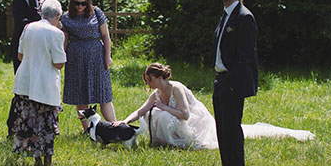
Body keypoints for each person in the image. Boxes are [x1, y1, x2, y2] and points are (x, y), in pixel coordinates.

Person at [118, 63, 313, 150]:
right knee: (153, 114)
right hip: (179, 118)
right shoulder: (156, 93)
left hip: (195, 121)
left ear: (159, 77)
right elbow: (141, 110)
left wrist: (163, 106)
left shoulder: (176, 88)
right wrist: (124, 121)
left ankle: (175, 141)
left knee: (163, 114)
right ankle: (164, 141)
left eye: (150, 79)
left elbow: (185, 115)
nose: (148, 84)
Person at [213, 0, 258, 166]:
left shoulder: (244, 17)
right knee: (223, 132)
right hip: (219, 80)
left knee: (232, 131)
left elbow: (246, 56)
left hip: (231, 83)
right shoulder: (225, 15)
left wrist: (231, 83)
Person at [10, 0, 66, 166]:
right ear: (58, 15)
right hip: (44, 85)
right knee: (46, 124)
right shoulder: (56, 33)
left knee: (29, 123)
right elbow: (59, 63)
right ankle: (47, 163)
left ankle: (36, 161)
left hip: (26, 83)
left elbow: (20, 55)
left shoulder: (29, 27)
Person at [61, 0, 116, 129]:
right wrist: (61, 57)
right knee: (80, 95)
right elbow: (65, 40)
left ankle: (114, 125)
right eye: (77, 3)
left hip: (96, 56)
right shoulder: (66, 17)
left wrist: (107, 56)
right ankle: (88, 129)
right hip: (76, 58)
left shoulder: (96, 12)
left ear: (88, 2)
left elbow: (106, 36)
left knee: (103, 93)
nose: (80, 6)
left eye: (83, 3)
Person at [10, 0, 59, 72]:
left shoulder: (49, 1)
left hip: (44, 49)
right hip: (25, 48)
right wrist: (44, 22)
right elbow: (21, 23)